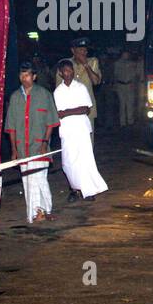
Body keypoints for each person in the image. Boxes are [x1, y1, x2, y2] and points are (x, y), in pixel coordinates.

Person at [4, 61, 59, 223]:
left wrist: (44, 143)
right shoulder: (15, 98)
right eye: (22, 75)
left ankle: (44, 209)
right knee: (28, 181)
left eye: (27, 75)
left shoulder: (44, 94)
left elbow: (50, 122)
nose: (24, 78)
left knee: (39, 178)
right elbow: (11, 127)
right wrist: (14, 150)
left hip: (39, 146)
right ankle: (37, 212)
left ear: (34, 76)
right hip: (22, 148)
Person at [54, 59, 108, 201]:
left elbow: (86, 109)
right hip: (67, 130)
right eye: (66, 70)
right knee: (69, 162)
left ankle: (88, 190)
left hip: (82, 129)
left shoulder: (81, 87)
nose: (69, 73)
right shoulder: (58, 91)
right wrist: (70, 111)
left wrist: (66, 112)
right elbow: (60, 112)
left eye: (71, 70)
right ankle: (74, 189)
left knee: (84, 160)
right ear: (60, 73)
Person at [69, 38, 102, 135]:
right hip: (70, 109)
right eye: (81, 50)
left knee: (88, 140)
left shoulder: (93, 62)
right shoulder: (66, 64)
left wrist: (86, 65)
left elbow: (96, 81)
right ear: (73, 50)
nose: (84, 52)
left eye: (85, 50)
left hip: (88, 109)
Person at [112, 48, 142, 128]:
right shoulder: (117, 63)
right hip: (120, 85)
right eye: (125, 54)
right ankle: (122, 122)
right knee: (122, 104)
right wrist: (115, 85)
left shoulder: (132, 63)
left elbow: (136, 74)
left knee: (130, 103)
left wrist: (134, 84)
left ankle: (130, 121)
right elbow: (115, 75)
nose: (126, 55)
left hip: (129, 85)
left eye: (127, 54)